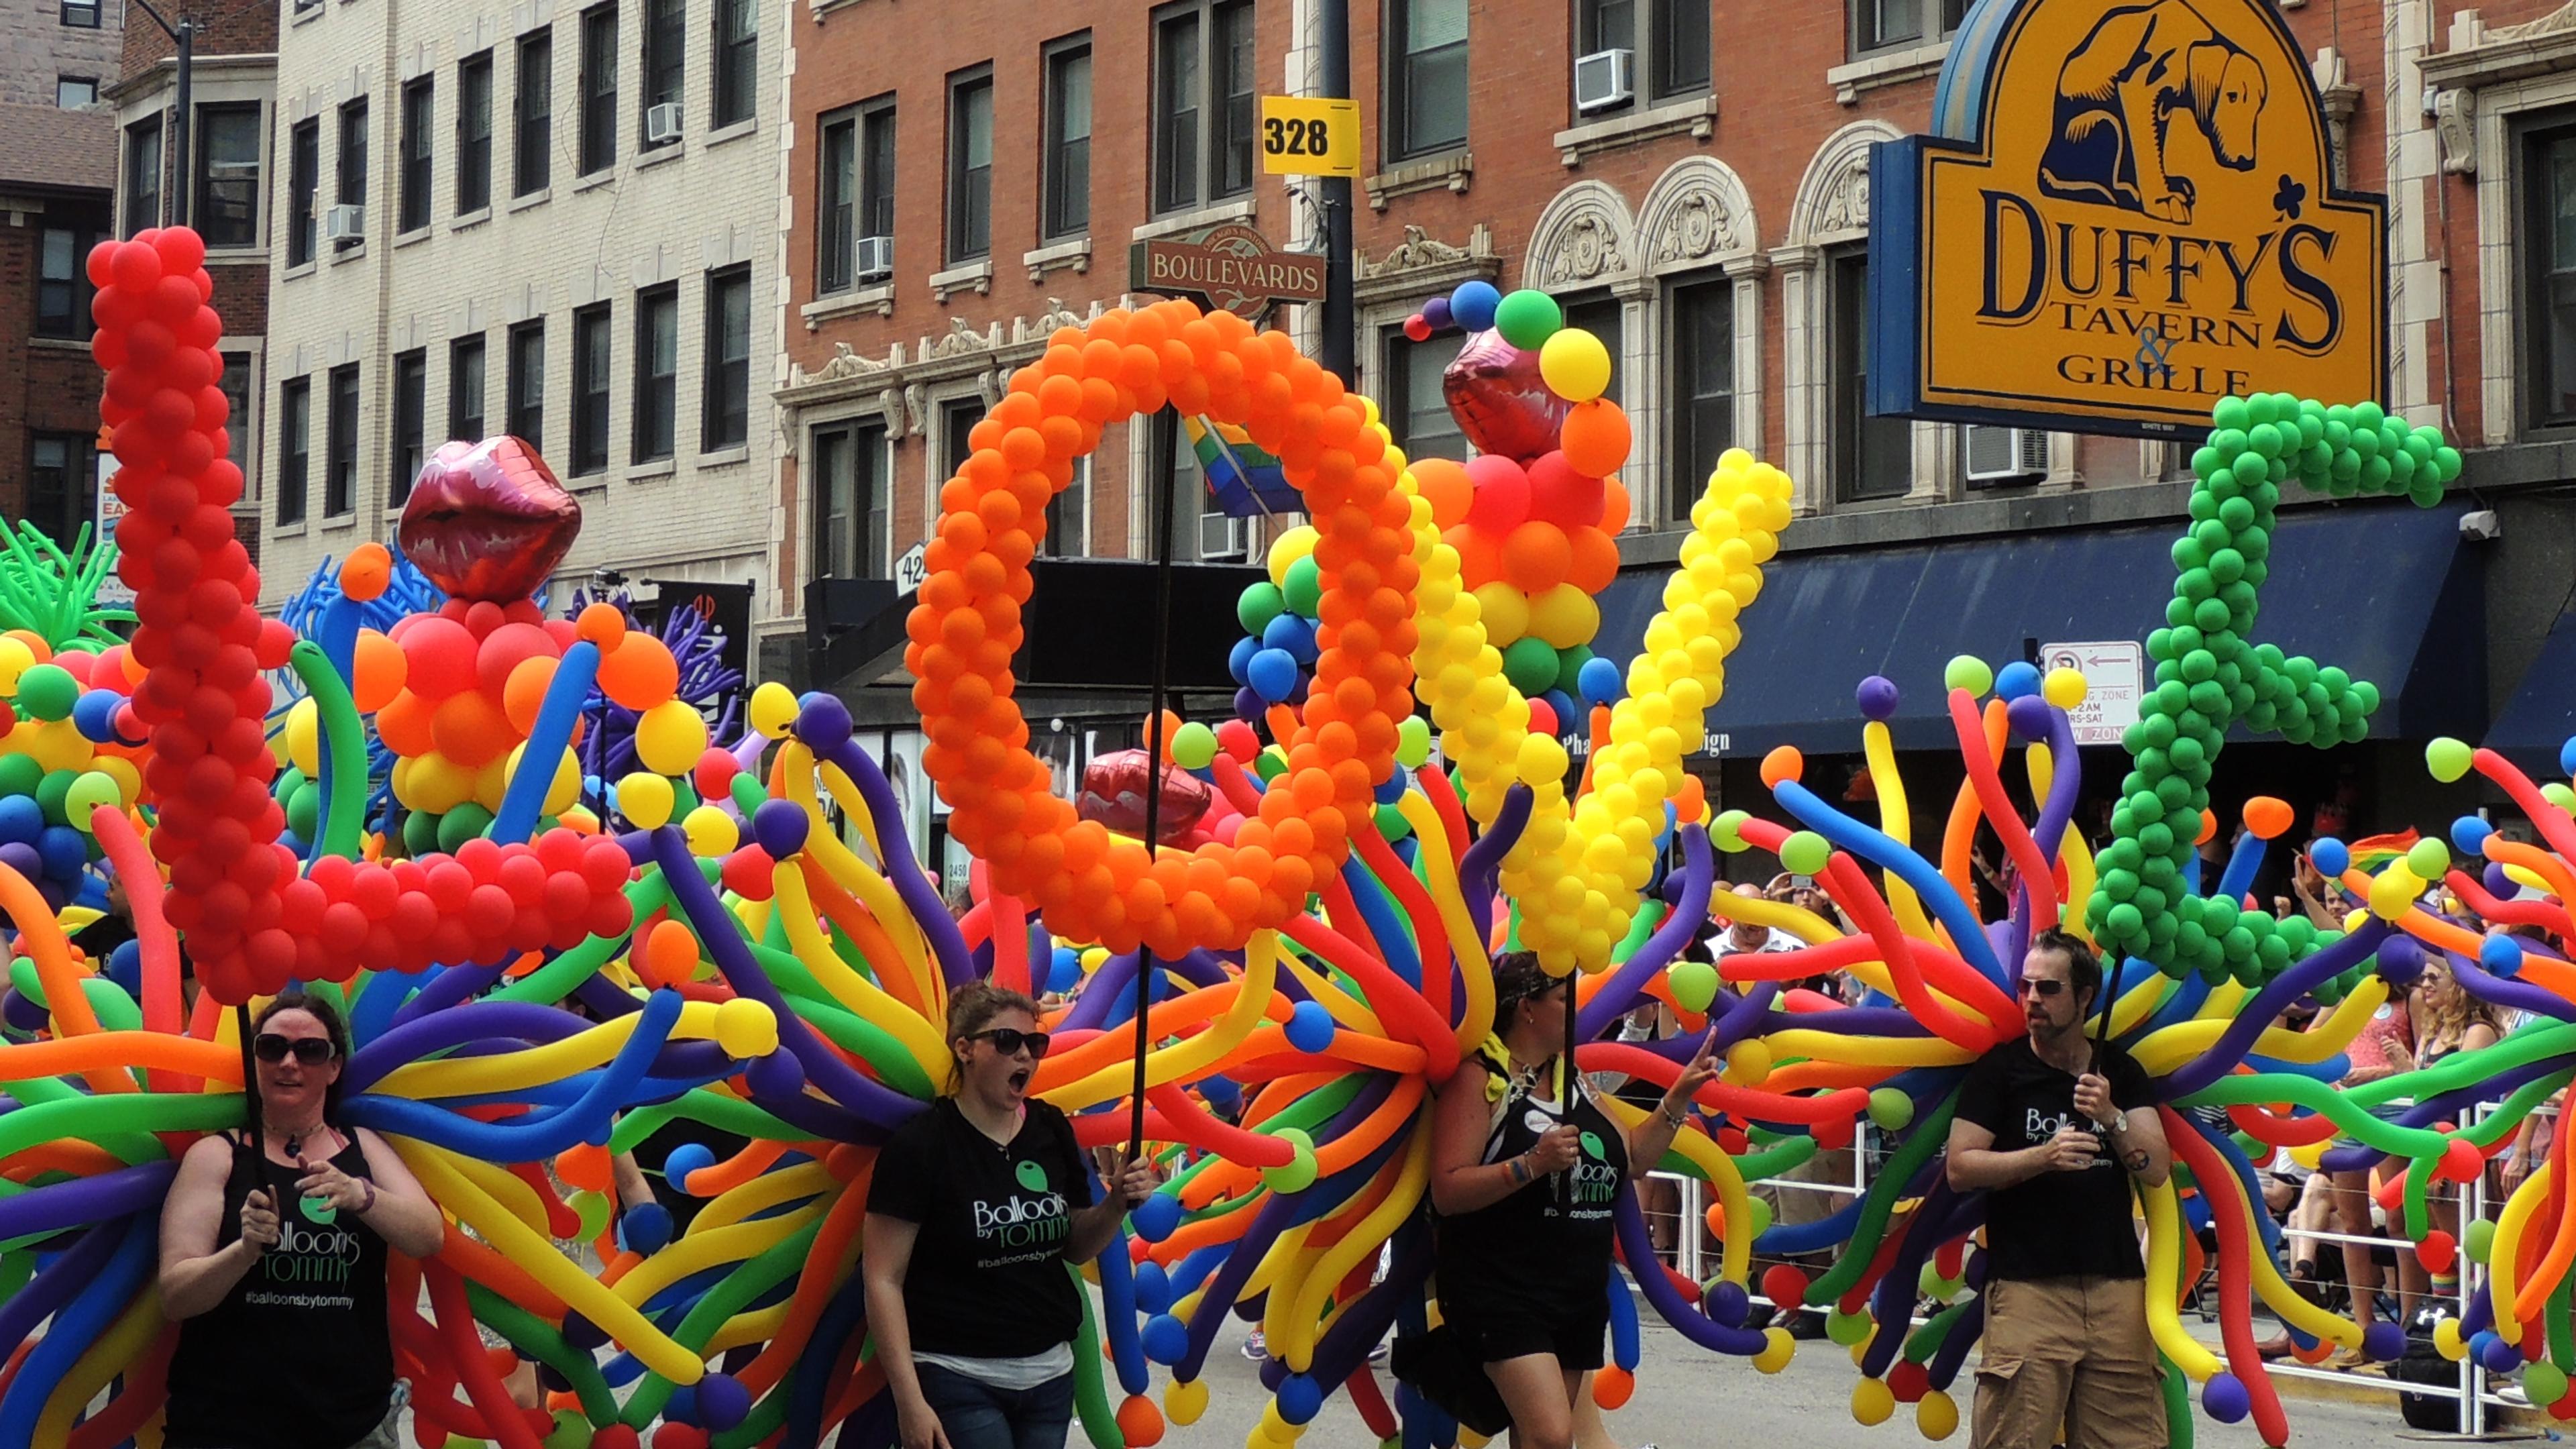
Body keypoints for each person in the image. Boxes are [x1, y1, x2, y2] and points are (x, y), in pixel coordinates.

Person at [1427, 953, 1718, 1449]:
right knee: (1551, 1436)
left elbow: (1633, 1159)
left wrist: (1676, 1099)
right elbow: (1447, 1190)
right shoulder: (1480, 1079)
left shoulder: (1572, 1077)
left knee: (1536, 1439)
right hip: (1502, 1285)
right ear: (1527, 1009)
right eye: (1565, 999)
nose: (1576, 1011)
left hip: (1575, 1287)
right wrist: (1530, 1165)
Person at [864, 981, 1155, 1449]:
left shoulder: (1049, 1128)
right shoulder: (922, 1145)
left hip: (1050, 1376)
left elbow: (1075, 1246)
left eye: (1034, 1043)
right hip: (956, 1374)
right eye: (1007, 1041)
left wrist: (1115, 1203)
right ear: (965, 1049)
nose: (1025, 1055)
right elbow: (883, 1277)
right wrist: (910, 1400)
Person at [158, 991, 446, 1449]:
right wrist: (243, 1252)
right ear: (254, 1062)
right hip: (224, 1423)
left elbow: (428, 1236)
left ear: (334, 1068)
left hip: (349, 1424)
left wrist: (362, 1195)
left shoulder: (363, 1147)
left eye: (310, 1051)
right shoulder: (216, 1155)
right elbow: (176, 1296)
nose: (289, 1062)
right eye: (272, 1048)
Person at [1946, 930, 2172, 1449]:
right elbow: (1960, 1167)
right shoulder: (2001, 1070)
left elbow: (2156, 1166)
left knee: (2129, 1440)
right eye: (2026, 987)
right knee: (2015, 1437)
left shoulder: (2117, 1071)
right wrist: (2042, 1157)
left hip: (2116, 1290)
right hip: (2028, 1289)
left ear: (2086, 997)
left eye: (2048, 989)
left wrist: (2110, 1116)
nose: (2032, 1001)